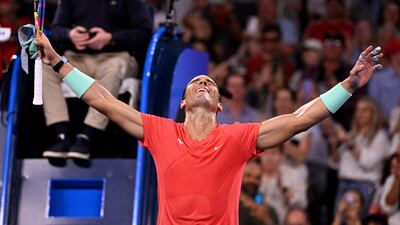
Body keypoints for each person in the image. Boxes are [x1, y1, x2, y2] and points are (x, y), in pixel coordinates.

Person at [36, 33, 383, 225]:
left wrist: (348, 86)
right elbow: (104, 101)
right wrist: (58, 62)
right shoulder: (159, 132)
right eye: (197, 81)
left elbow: (300, 118)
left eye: (210, 83)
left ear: (220, 105)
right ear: (184, 102)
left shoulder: (238, 137)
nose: (203, 81)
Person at [42, 0, 152, 160]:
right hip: (77, 57)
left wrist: (111, 38)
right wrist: (70, 35)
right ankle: (61, 134)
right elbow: (57, 30)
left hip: (116, 55)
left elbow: (144, 33)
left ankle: (88, 136)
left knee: (113, 69)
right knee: (46, 67)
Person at [240, 159, 279, 225]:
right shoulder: (229, 206)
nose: (252, 180)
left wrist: (266, 220)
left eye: (257, 178)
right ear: (241, 176)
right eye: (248, 175)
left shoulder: (268, 211)